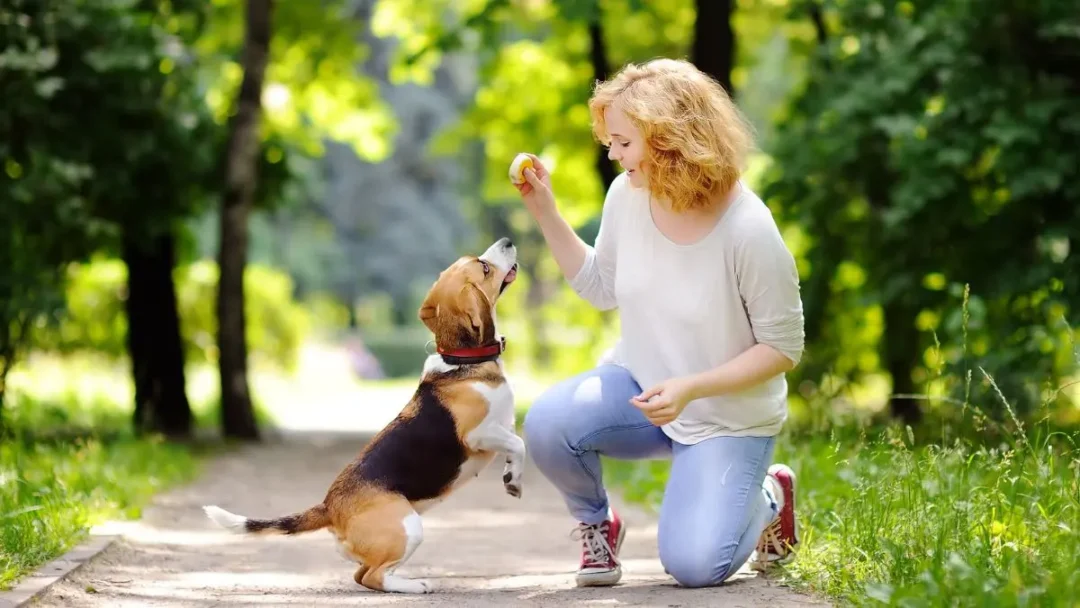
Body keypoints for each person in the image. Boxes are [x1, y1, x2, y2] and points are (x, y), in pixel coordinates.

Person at [513, 58, 805, 589]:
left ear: (669, 139)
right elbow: (600, 287)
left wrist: (693, 388)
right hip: (643, 390)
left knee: (695, 566)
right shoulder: (628, 195)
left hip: (725, 416)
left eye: (623, 142)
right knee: (549, 424)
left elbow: (783, 348)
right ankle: (597, 525)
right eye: (609, 141)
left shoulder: (749, 229)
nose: (612, 154)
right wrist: (545, 212)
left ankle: (769, 496)